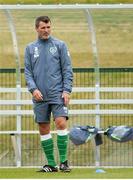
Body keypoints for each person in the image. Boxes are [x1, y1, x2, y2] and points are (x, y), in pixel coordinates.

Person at [24, 16, 73, 172]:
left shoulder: (60, 45)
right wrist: (33, 89)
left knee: (61, 123)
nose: (46, 30)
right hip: (39, 96)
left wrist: (66, 90)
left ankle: (64, 162)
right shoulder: (30, 48)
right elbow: (28, 72)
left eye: (48, 27)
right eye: (43, 28)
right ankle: (51, 164)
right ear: (37, 29)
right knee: (44, 128)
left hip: (58, 94)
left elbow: (67, 70)